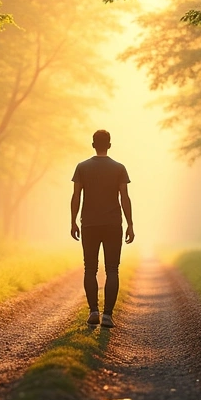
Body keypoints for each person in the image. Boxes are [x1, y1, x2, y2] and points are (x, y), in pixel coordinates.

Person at [70, 129, 134, 328]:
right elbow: (124, 197)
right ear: (109, 145)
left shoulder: (82, 167)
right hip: (113, 224)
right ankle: (107, 316)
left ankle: (93, 312)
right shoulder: (119, 168)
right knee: (112, 269)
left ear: (93, 145)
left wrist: (73, 221)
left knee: (90, 268)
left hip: (89, 224)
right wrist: (130, 224)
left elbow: (76, 196)